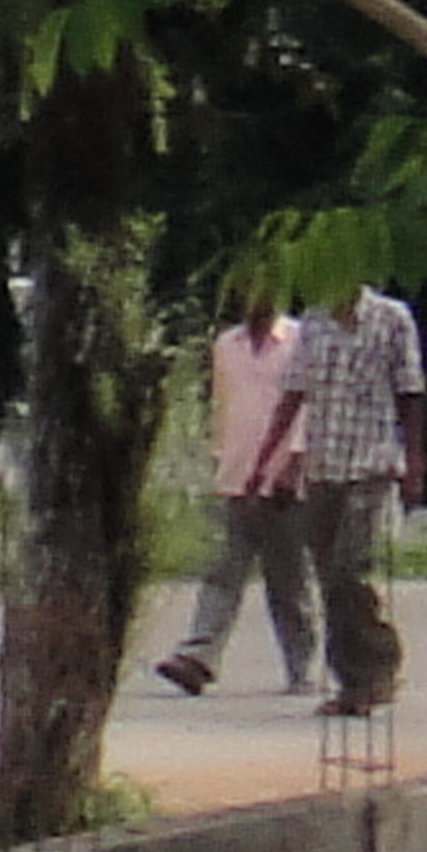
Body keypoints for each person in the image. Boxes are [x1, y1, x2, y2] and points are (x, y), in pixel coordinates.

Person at [252, 279, 423, 716]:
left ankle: (377, 667)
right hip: (323, 466)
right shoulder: (313, 322)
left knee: (351, 571)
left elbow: (410, 393)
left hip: (371, 465)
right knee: (330, 579)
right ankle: (351, 681)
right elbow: (294, 394)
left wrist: (414, 462)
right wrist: (266, 458)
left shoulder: (392, 319)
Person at [156, 296, 312, 696]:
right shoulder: (227, 345)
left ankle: (302, 666)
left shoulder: (300, 340)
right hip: (236, 476)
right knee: (222, 572)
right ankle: (198, 656)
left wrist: (293, 465)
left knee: (288, 580)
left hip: (282, 480)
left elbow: (307, 408)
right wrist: (220, 458)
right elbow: (222, 406)